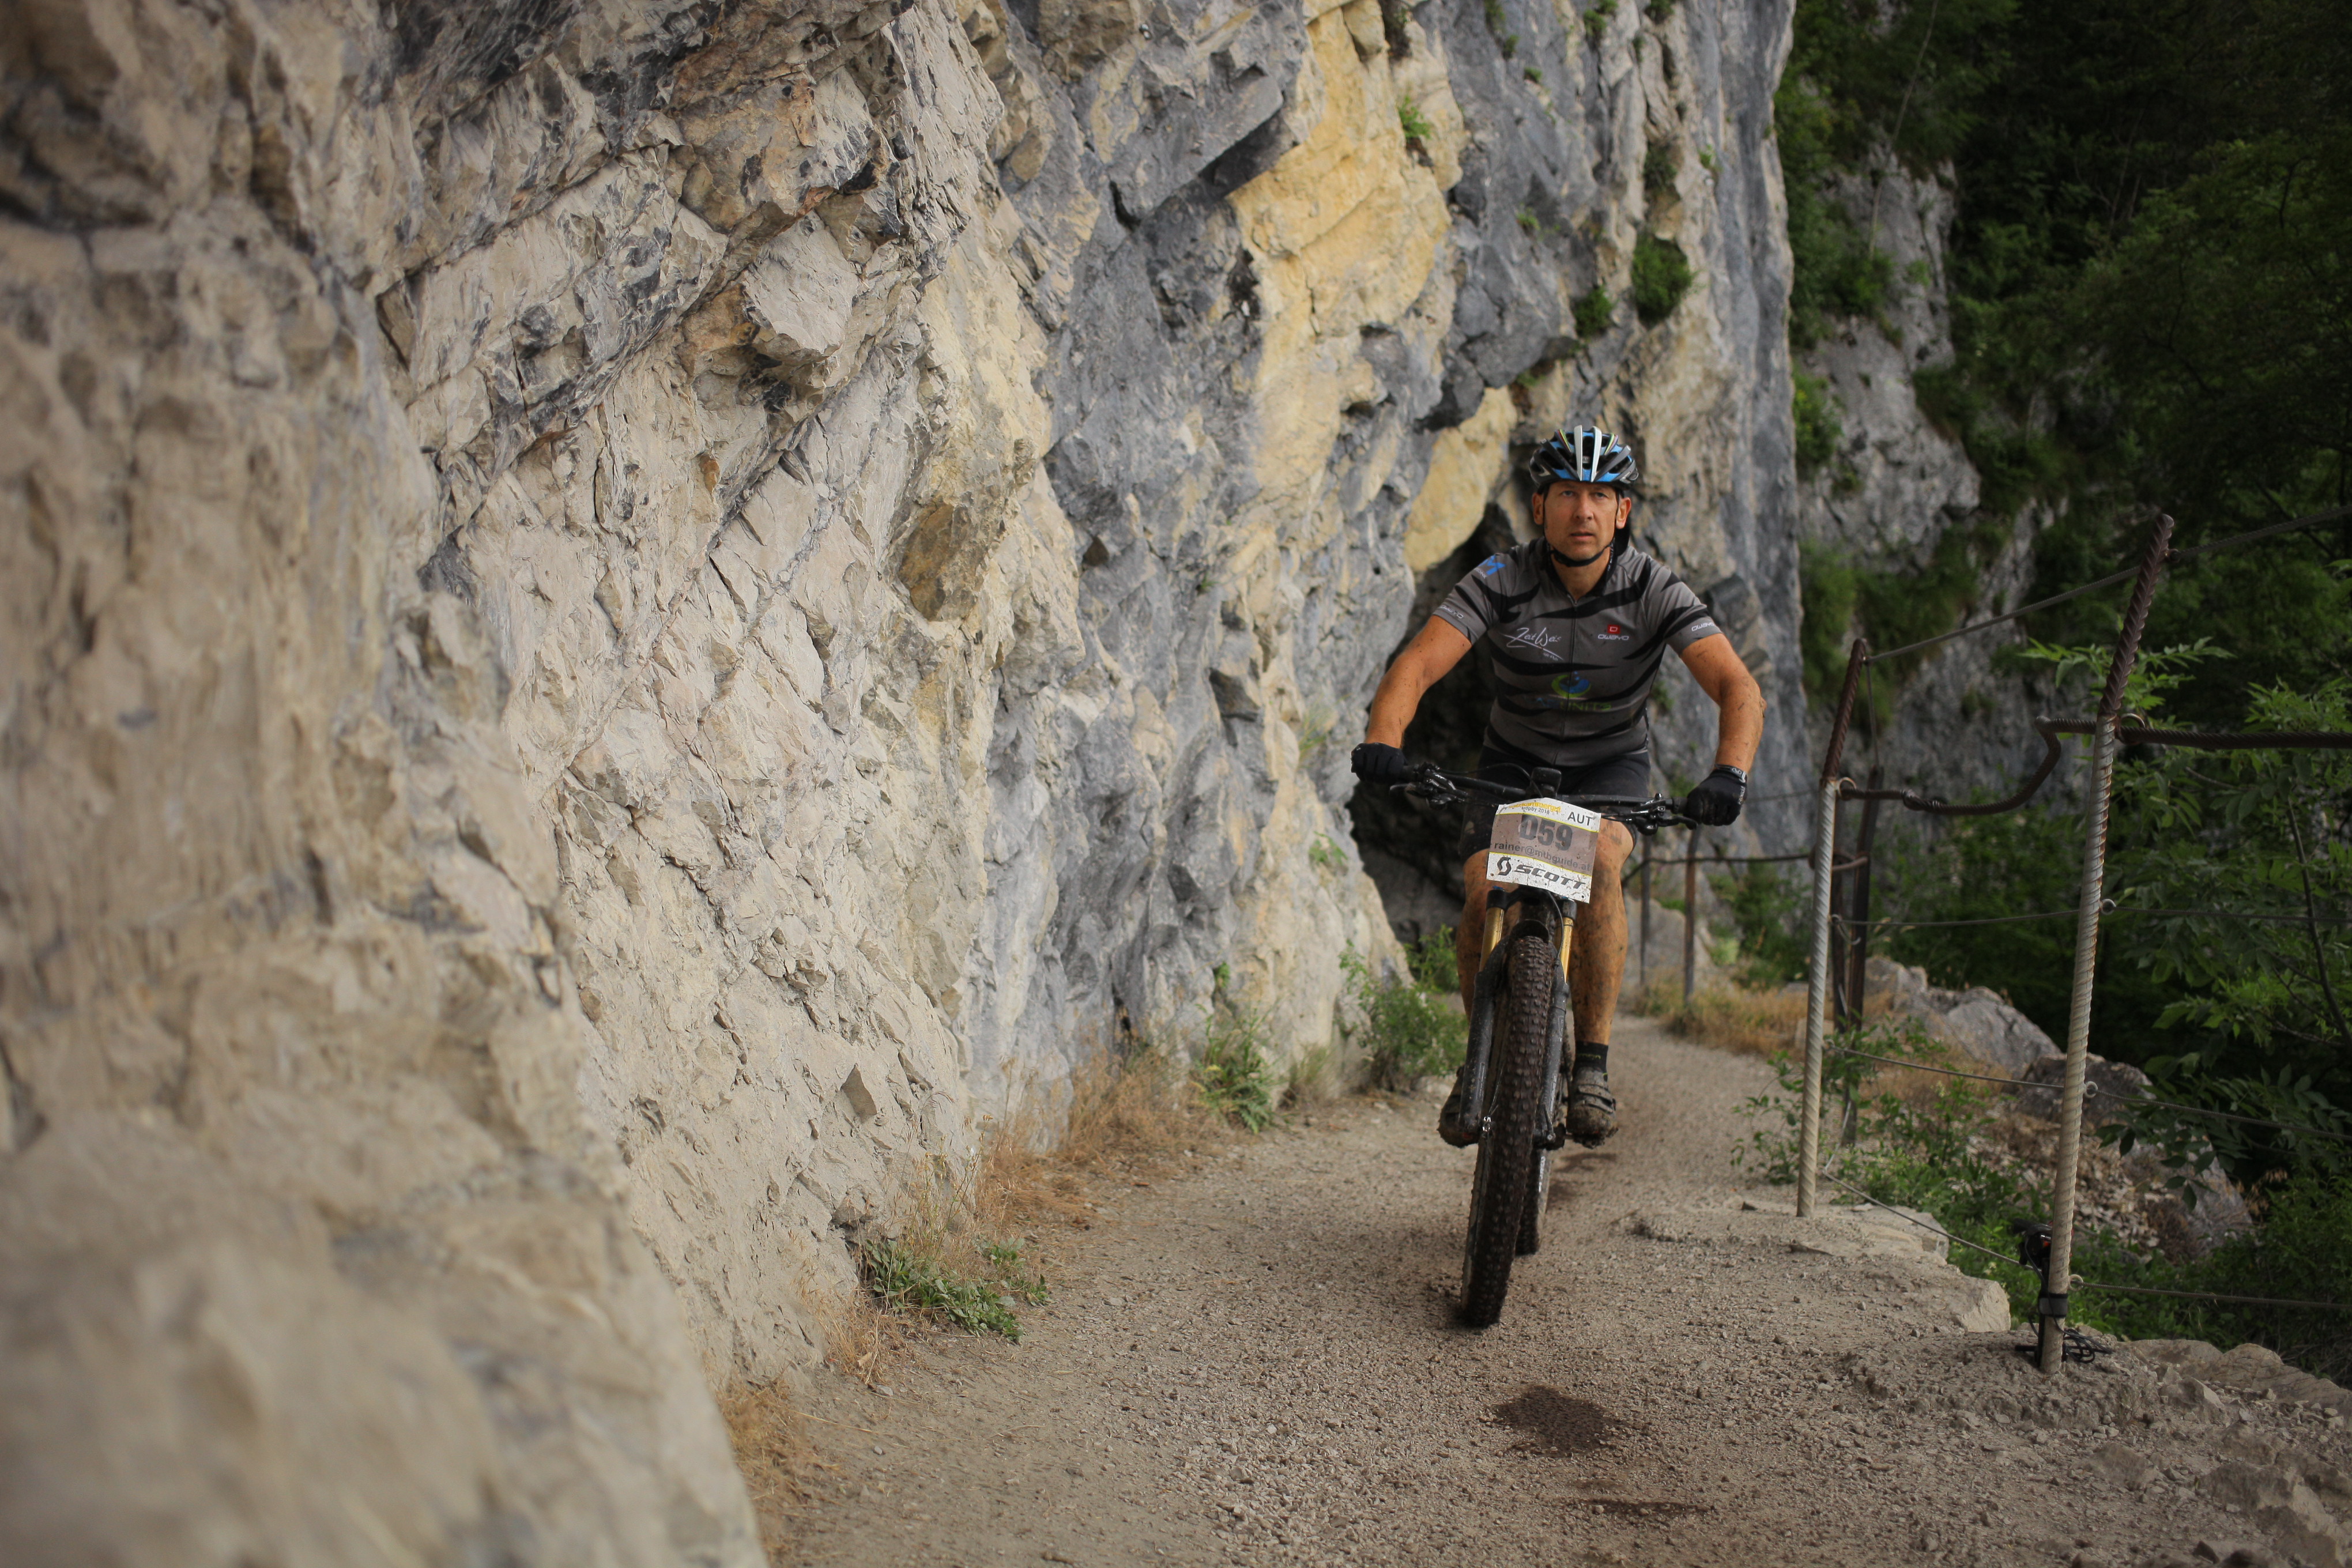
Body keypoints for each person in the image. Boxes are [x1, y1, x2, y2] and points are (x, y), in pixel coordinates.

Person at [1350, 426, 1765, 1148]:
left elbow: (1738, 685)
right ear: (1539, 507)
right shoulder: (1500, 579)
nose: (1583, 510)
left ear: (1623, 512)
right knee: (1483, 888)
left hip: (1610, 767)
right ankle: (1479, 1056)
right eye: (1567, 493)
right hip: (1512, 761)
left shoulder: (1654, 588)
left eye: (1600, 496)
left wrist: (1729, 773)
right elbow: (1417, 665)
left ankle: (1593, 1065)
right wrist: (1385, 740)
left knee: (1601, 865)